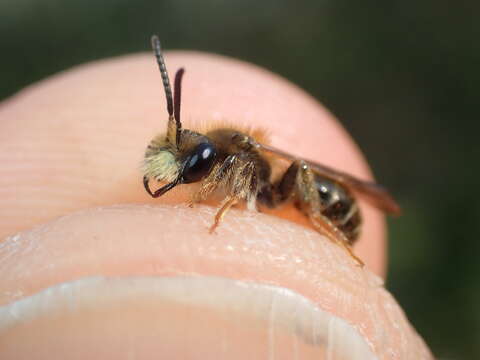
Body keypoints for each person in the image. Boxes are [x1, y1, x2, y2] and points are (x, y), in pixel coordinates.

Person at [0, 50, 433, 358]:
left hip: (325, 204)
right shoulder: (213, 155)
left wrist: (222, 210)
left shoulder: (240, 158)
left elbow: (259, 176)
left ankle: (332, 238)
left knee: (300, 171)